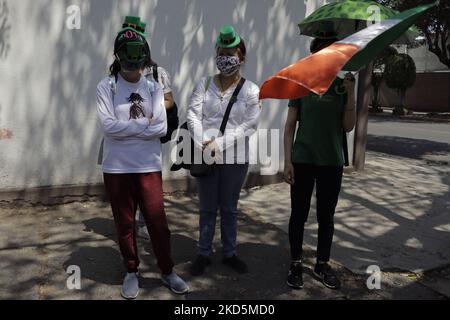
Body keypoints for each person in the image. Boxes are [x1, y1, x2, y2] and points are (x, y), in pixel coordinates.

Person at [96, 22, 188, 299]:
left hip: (147, 165)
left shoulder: (153, 86)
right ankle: (131, 270)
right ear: (118, 57)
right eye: (127, 60)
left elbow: (161, 128)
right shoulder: (107, 86)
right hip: (116, 167)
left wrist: (128, 127)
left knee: (157, 222)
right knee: (124, 223)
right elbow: (107, 126)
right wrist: (143, 126)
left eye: (138, 62)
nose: (133, 67)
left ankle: (167, 270)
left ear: (144, 59)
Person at [283, 33, 356, 290]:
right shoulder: (301, 83)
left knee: (327, 216)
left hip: (331, 160)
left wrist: (351, 95)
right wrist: (287, 161)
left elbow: (348, 126)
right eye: (320, 54)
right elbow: (290, 125)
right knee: (298, 215)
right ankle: (295, 264)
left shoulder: (342, 85)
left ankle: (322, 264)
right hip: (302, 158)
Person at [187, 25, 261, 276]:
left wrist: (221, 143)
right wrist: (203, 141)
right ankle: (203, 253)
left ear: (241, 57)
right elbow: (193, 115)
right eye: (222, 52)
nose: (226, 58)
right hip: (206, 154)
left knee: (229, 208)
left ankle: (229, 253)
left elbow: (249, 125)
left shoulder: (251, 90)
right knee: (207, 208)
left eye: (231, 53)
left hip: (235, 158)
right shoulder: (204, 83)